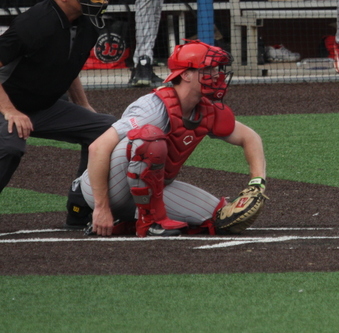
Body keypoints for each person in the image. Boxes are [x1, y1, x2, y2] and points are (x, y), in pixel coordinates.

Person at [76, 40, 267, 237]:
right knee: (148, 139)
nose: (216, 74)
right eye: (208, 69)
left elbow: (250, 137)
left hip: (150, 192)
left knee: (223, 217)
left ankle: (130, 220)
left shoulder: (206, 111)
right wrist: (101, 207)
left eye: (216, 69)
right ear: (185, 74)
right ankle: (148, 221)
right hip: (109, 189)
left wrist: (257, 182)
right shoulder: (152, 108)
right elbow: (98, 147)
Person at [0, 0, 116, 228]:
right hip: (5, 105)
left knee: (106, 130)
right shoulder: (35, 23)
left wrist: (84, 106)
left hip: (42, 106)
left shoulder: (88, 20)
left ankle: (80, 208)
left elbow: (67, 65)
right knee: (10, 146)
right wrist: (9, 110)